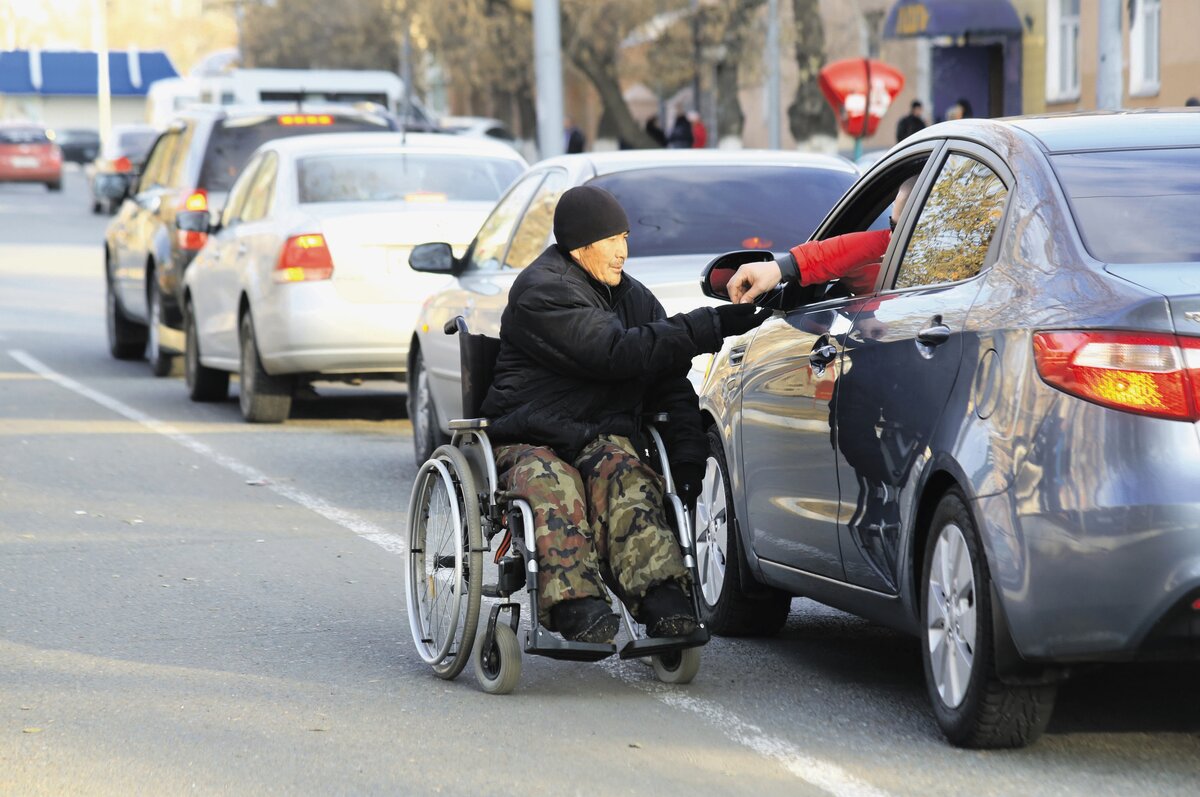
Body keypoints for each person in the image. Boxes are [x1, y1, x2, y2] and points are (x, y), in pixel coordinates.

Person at [479, 186, 768, 644]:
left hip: (595, 437)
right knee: (554, 481)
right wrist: (710, 325)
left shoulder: (633, 297)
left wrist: (688, 457)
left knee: (626, 474)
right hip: (529, 436)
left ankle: (664, 601)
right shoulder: (542, 291)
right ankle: (577, 606)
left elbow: (669, 381)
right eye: (612, 240)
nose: (623, 252)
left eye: (626, 237)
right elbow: (614, 352)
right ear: (580, 246)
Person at [726, 175, 919, 305]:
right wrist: (783, 268)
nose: (892, 237)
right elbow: (850, 250)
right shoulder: (905, 258)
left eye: (900, 229)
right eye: (891, 226)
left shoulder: (920, 277)